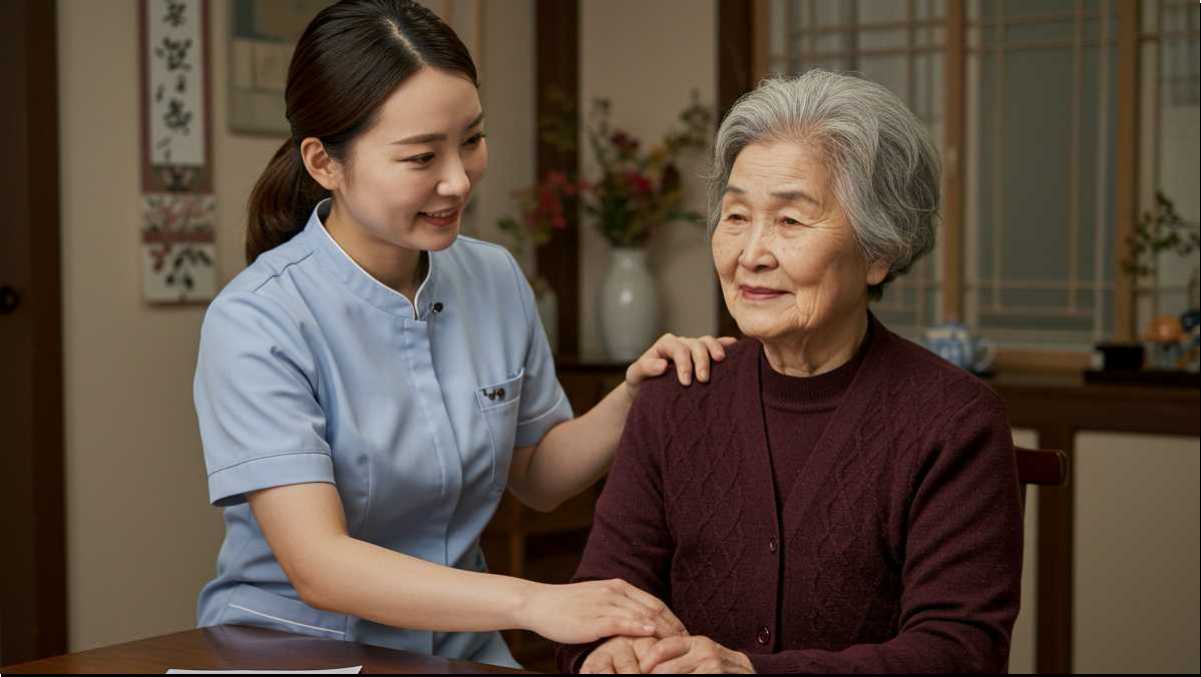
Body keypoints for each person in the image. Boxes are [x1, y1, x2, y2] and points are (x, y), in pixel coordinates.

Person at [193, 0, 729, 668]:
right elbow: (319, 565)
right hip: (300, 649)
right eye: (420, 156)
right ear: (323, 162)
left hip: (457, 649)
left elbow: (535, 476)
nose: (458, 179)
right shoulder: (258, 320)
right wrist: (534, 603)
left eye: (470, 140)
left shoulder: (494, 277)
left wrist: (630, 396)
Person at [557, 69, 1023, 674]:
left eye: (791, 221)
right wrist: (603, 651)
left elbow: (961, 652)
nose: (752, 254)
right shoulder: (677, 395)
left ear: (879, 252)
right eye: (735, 217)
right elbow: (598, 600)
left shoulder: (953, 419)